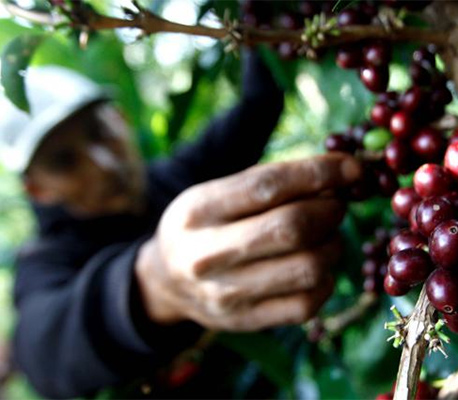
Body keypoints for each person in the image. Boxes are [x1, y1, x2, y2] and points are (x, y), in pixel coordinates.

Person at [0, 51, 362, 398]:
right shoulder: (46, 259)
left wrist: (262, 25)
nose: (103, 164)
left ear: (120, 118)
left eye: (98, 131)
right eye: (64, 161)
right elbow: (42, 350)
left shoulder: (178, 178)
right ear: (38, 189)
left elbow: (257, 106)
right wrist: (153, 285)